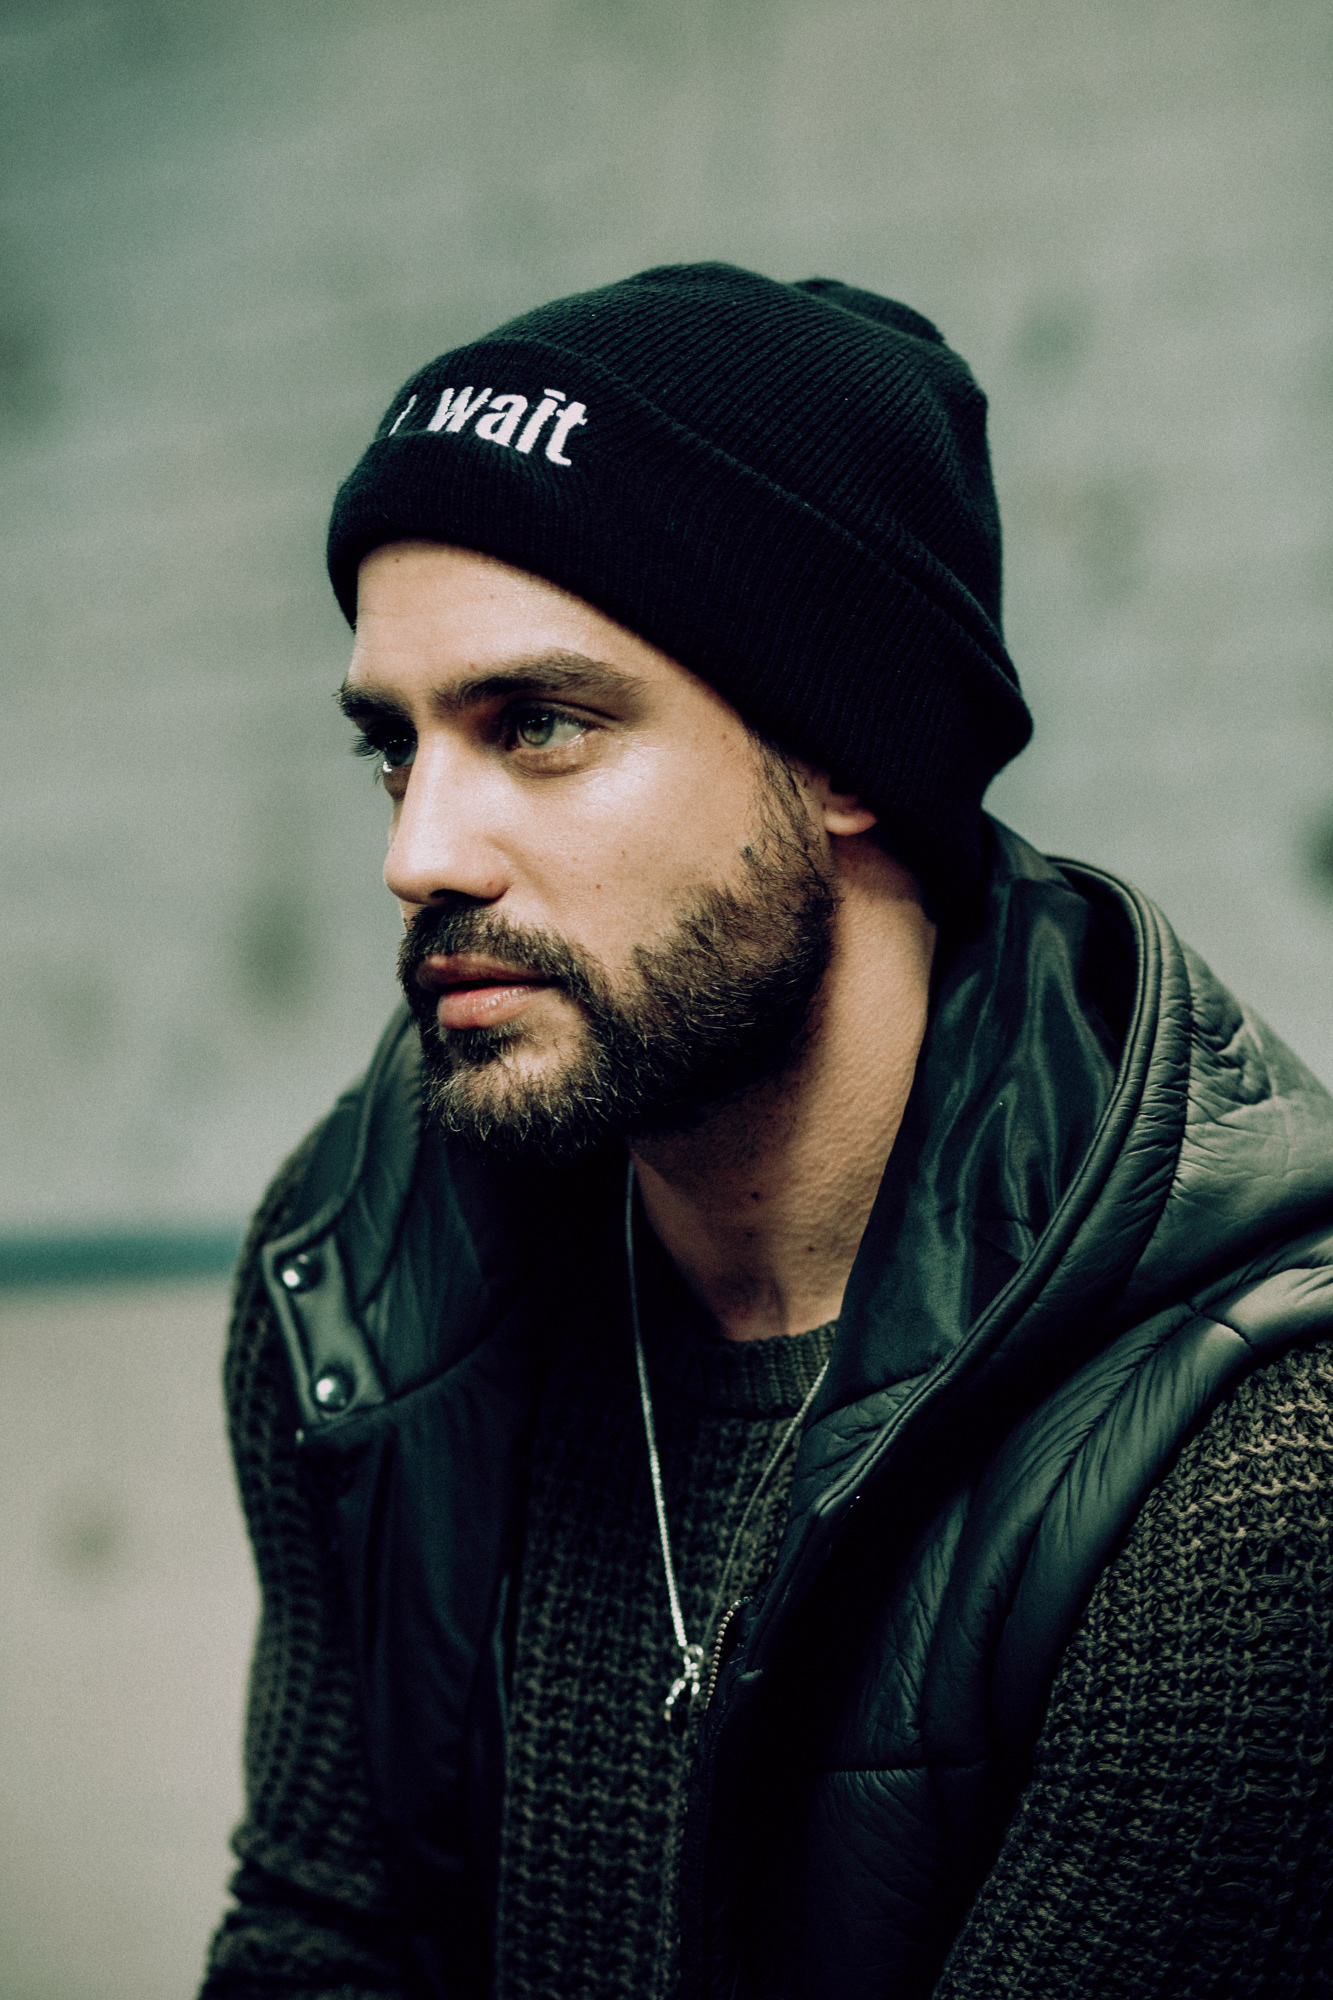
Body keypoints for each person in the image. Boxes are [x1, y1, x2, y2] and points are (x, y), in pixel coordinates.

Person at [200, 264, 1333, 2000]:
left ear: (841, 753)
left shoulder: (1246, 1473)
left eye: (538, 726)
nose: (417, 854)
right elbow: (318, 1940)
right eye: (394, 749)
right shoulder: (365, 1271)